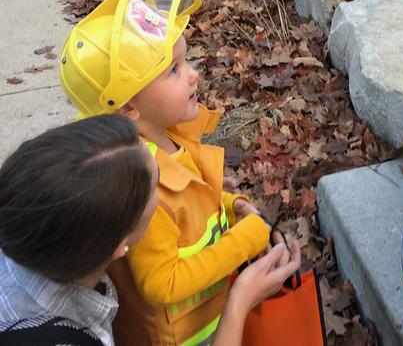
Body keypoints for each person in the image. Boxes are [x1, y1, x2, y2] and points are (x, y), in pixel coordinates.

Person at [59, 0, 299, 345]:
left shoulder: (169, 137)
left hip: (213, 317)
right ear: (127, 109)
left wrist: (230, 208)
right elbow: (162, 283)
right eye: (173, 69)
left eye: (185, 61)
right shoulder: (139, 187)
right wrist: (245, 240)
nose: (193, 75)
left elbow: (191, 208)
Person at [0, 116, 301, 346]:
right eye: (158, 182)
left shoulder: (25, 230)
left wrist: (202, 194)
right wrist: (240, 301)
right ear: (119, 247)